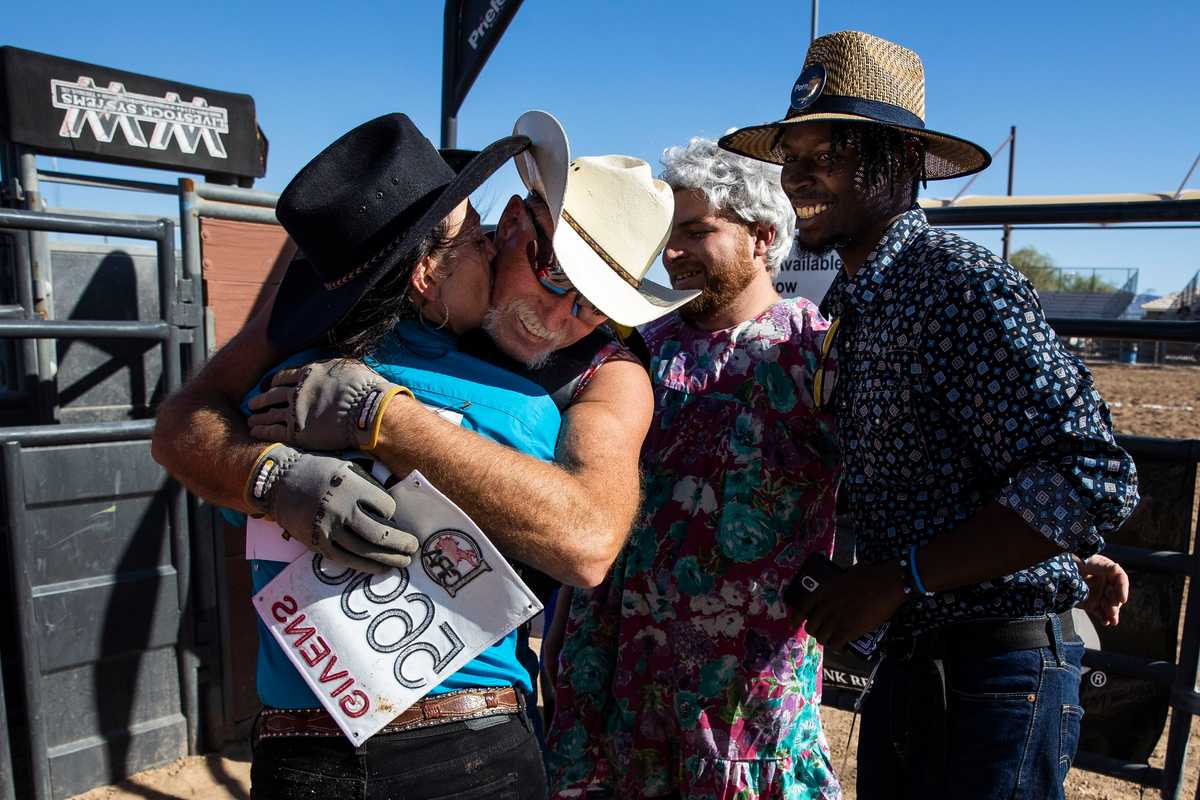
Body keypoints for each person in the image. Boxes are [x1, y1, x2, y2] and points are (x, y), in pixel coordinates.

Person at [151, 112, 696, 799]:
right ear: (515, 226)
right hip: (312, 747)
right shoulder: (342, 303)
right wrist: (270, 475)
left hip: (461, 745)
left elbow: (588, 540)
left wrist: (381, 417)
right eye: (554, 277)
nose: (560, 320)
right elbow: (184, 425)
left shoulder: (602, 374)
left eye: (595, 307)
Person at [719, 30, 1139, 799]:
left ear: (900, 163)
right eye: (792, 157)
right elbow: (978, 465)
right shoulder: (858, 300)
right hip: (926, 665)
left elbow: (1093, 475)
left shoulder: (955, 285)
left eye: (827, 155)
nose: (797, 178)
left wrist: (899, 577)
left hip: (992, 672)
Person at [545, 137, 842, 799]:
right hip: (624, 687)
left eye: (696, 232)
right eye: (667, 234)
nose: (672, 253)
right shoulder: (639, 351)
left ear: (763, 236)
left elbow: (901, 471)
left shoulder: (813, 355)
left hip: (745, 712)